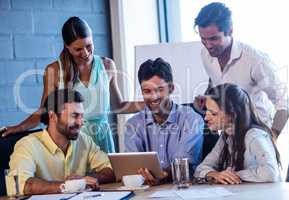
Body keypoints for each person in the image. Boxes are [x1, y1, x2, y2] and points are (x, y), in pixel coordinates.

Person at [1, 16, 143, 153]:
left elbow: (118, 106)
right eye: (78, 49)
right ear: (67, 47)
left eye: (89, 46)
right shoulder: (54, 70)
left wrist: (148, 103)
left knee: (107, 176)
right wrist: (18, 128)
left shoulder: (107, 65)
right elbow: (44, 112)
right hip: (72, 142)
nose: (86, 53)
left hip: (103, 141)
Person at [193, 2, 289, 140]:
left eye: (214, 39)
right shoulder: (205, 54)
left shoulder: (256, 60)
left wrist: (272, 137)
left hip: (258, 136)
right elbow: (216, 81)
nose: (208, 45)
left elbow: (285, 101)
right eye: (203, 39)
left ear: (230, 31)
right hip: (229, 136)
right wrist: (207, 98)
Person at [7, 89, 115, 195]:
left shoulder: (84, 140)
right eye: (74, 116)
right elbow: (23, 185)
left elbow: (111, 169)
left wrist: (83, 180)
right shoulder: (27, 145)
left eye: (81, 116)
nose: (80, 123)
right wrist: (68, 186)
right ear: (53, 116)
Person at [124, 58, 204, 185]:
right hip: (148, 192)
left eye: (160, 89)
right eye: (147, 91)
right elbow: (133, 165)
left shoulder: (192, 119)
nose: (154, 97)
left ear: (171, 88)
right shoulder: (133, 124)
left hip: (184, 189)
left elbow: (183, 164)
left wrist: (160, 175)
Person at [193, 84, 281, 184]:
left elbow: (271, 173)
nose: (206, 118)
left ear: (232, 114)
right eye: (206, 112)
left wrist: (233, 175)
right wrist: (215, 175)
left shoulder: (255, 136)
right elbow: (199, 169)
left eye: (213, 113)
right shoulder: (226, 136)